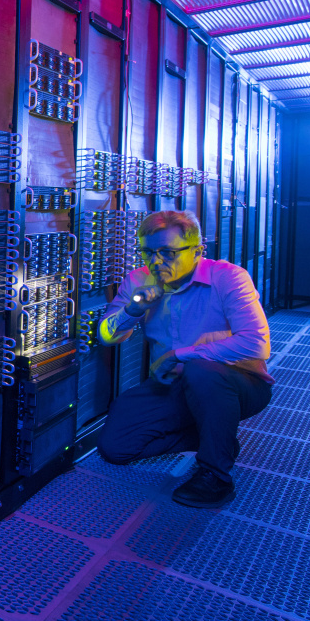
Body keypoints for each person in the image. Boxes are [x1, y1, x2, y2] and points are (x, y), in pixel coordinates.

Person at [95, 210, 273, 508]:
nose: (155, 261)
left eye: (167, 252)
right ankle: (214, 437)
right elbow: (105, 335)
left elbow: (256, 344)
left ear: (198, 251)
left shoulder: (228, 277)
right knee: (115, 446)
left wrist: (180, 355)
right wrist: (133, 309)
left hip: (236, 382)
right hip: (173, 385)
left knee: (201, 372)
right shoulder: (139, 280)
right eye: (148, 252)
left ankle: (216, 475)